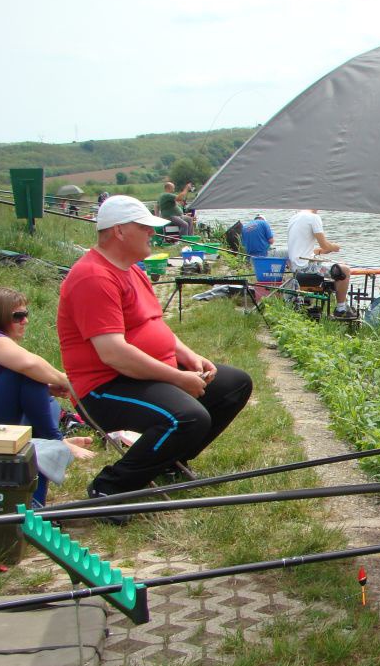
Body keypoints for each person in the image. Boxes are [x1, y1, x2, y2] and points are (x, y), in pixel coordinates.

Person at [57, 195, 253, 510]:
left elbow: (154, 325)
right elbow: (113, 354)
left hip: (141, 373)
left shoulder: (132, 269)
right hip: (105, 387)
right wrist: (178, 378)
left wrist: (189, 356)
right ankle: (110, 489)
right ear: (119, 231)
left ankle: (166, 462)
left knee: (235, 384)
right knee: (187, 418)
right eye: (145, 227)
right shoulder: (93, 276)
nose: (153, 232)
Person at [0, 288, 94, 505]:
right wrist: (66, 381)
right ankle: (56, 440)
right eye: (17, 316)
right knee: (28, 372)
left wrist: (47, 389)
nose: (25, 321)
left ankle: (36, 498)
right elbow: (29, 365)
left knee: (45, 396)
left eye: (26, 314)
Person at [285, 209, 357, 319]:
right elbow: (325, 245)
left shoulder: (294, 217)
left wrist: (321, 251)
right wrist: (334, 247)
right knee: (345, 270)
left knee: (338, 267)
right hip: (304, 268)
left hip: (295, 267)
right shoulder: (314, 218)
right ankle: (341, 308)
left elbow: (303, 250)